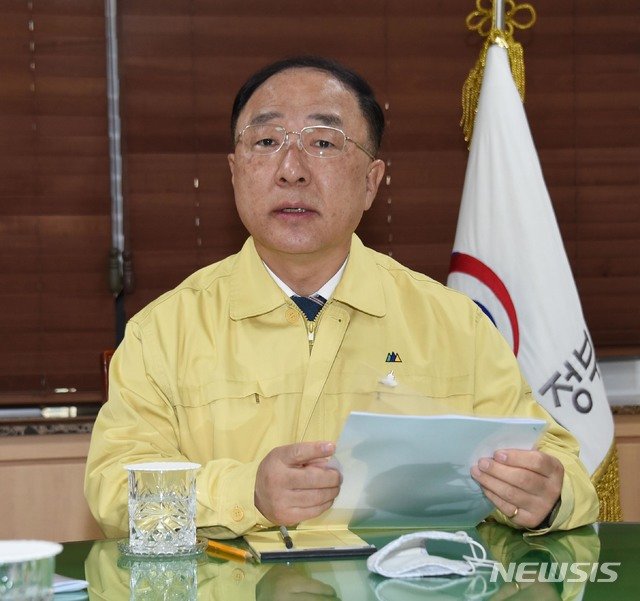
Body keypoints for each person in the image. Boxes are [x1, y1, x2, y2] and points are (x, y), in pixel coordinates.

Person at [85, 56, 599, 539]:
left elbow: (565, 469)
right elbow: (116, 493)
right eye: (266, 141)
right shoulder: (163, 332)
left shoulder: (453, 324)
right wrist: (247, 494)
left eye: (324, 143)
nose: (292, 169)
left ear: (372, 182)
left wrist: (546, 495)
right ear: (235, 172)